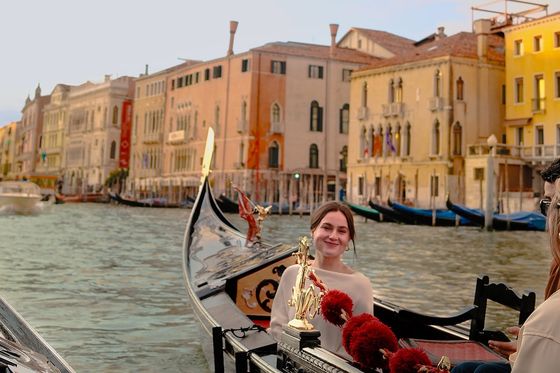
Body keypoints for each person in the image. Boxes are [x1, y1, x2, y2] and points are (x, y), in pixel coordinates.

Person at [452, 158, 560, 373]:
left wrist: (535, 340)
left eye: (553, 204)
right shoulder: (556, 267)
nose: (549, 215)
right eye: (545, 204)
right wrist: (527, 342)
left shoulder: (552, 314)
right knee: (466, 369)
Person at [270, 201, 374, 359]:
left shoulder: (360, 285)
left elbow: (362, 346)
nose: (333, 236)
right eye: (326, 227)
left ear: (348, 239)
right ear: (313, 230)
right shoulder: (292, 274)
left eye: (342, 231)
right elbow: (277, 330)